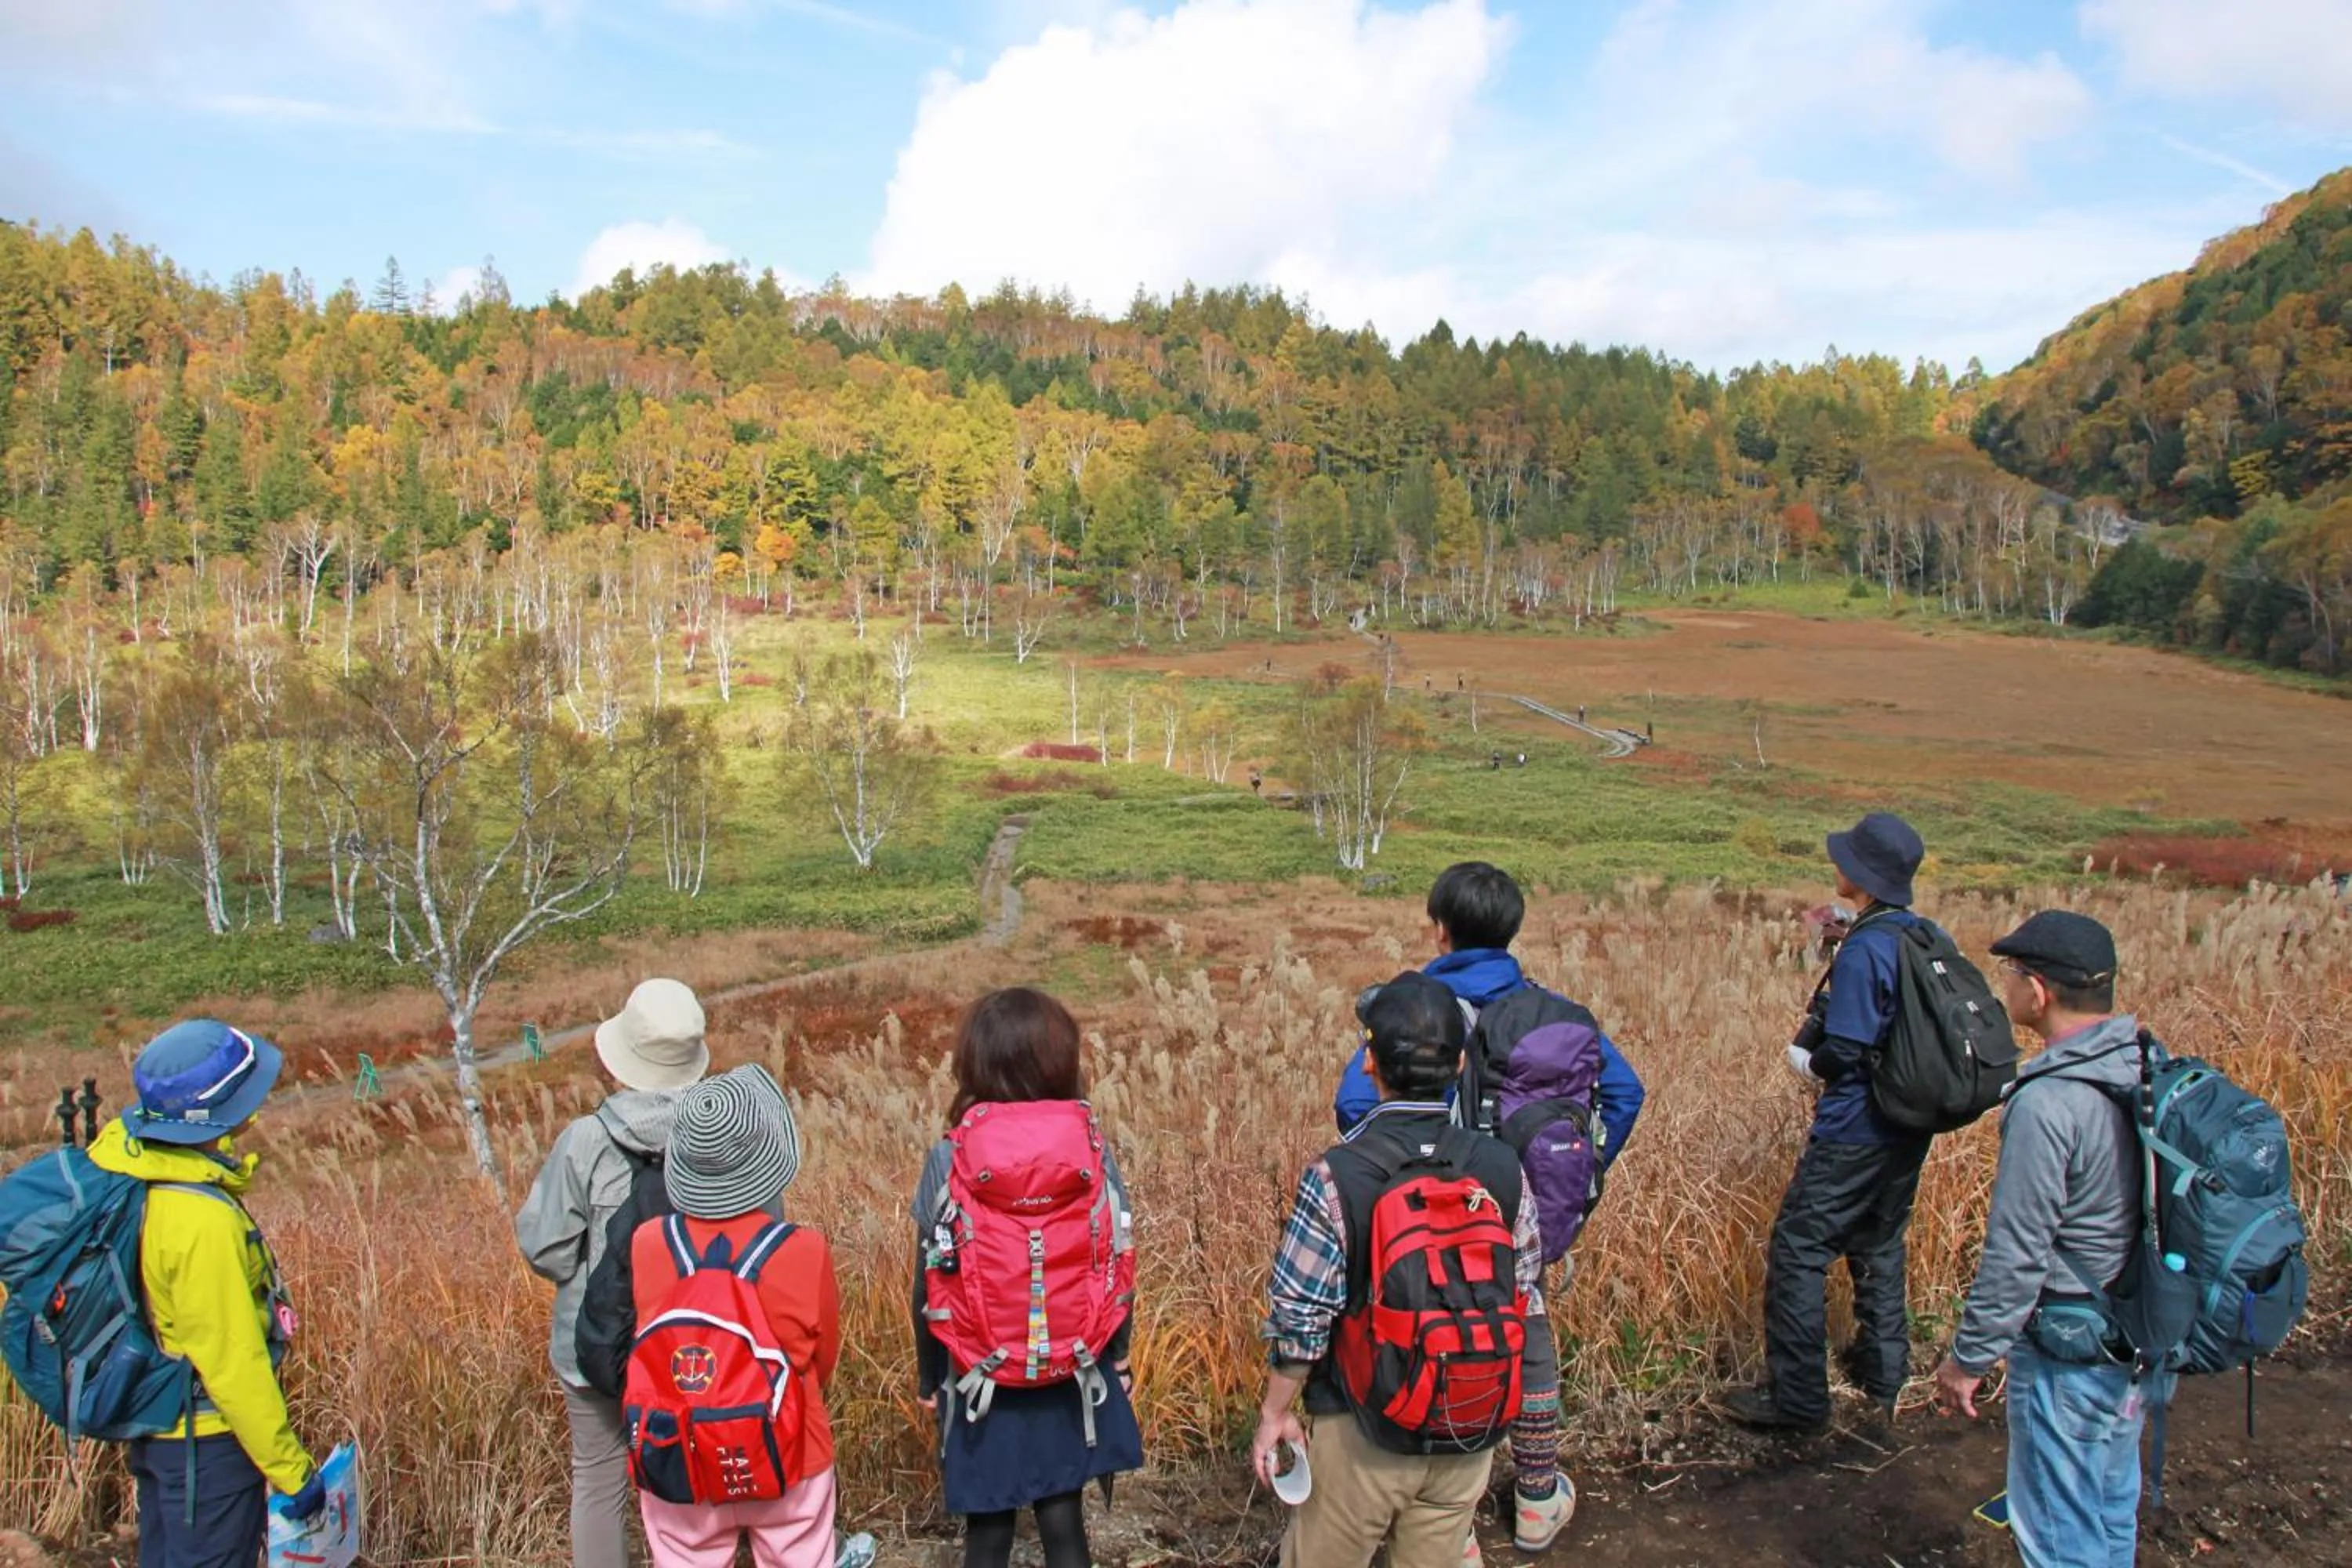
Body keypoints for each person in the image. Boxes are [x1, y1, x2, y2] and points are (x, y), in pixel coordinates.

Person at [1330, 861, 1642, 1553]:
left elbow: (1355, 1104)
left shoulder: (1418, 1008)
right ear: (1512, 928)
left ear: (1440, 929)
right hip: (1525, 1211)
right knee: (1524, 1331)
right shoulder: (1552, 1008)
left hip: (1436, 1219)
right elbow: (1626, 1093)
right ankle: (1536, 1498)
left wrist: (1399, 1180)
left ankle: (1453, 1529)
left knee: (1435, 1342)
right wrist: (1579, 1173)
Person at [1255, 973, 1543, 1568]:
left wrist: (1274, 1413)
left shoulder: (1338, 1174)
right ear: (1461, 1062)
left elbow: (1301, 1321)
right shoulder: (1502, 1167)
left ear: (1369, 1062)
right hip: (1468, 1427)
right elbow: (1524, 1290)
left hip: (1365, 1432)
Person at [1933, 912, 2165, 1565]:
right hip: (2137, 1334)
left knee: (2058, 1534)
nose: (2004, 988)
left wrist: (1969, 1360)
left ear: (2038, 992)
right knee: (2110, 1506)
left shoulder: (2049, 1101)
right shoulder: (2143, 1066)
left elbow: (2017, 1252)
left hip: (2071, 1348)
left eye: (2011, 975)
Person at [913, 989, 1142, 1568]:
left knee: (987, 1532)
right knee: (1064, 1522)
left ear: (973, 1063)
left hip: (980, 1374)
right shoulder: (1090, 1145)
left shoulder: (952, 1156)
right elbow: (1116, 1252)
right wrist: (1117, 1353)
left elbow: (929, 1276)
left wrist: (931, 1376)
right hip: (1072, 1363)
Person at [87, 1020, 321, 1568]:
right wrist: (292, 1471)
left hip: (158, 1427)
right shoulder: (199, 1220)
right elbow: (232, 1362)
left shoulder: (127, 1166)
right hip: (206, 1444)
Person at [1727, 811, 1931, 1432]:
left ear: (1863, 872)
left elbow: (1846, 1048)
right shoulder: (1921, 934)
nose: (1835, 863)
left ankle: (1799, 1400)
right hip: (1908, 1124)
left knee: (1798, 1248)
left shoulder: (1869, 945)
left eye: (1844, 856)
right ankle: (1883, 1371)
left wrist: (1806, 1062)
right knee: (1878, 1240)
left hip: (1855, 1128)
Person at [517, 978, 710, 1568]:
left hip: (598, 1347)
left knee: (598, 1481)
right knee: (695, 1471)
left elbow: (546, 1250)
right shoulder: (721, 1135)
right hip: (700, 1344)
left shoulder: (587, 1141)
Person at [630, 1065, 841, 1568]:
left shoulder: (650, 1244)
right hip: (789, 1444)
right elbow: (823, 1357)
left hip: (680, 1448)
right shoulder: (804, 1249)